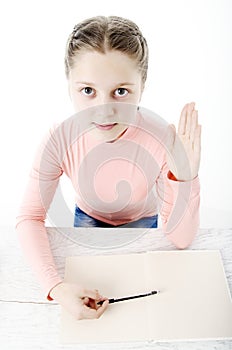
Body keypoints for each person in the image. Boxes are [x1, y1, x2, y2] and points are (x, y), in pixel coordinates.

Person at [15, 16, 201, 320]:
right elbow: (29, 216)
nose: (104, 109)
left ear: (142, 85)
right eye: (88, 90)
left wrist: (185, 176)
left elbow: (181, 239)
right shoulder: (59, 139)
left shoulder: (160, 138)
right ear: (69, 85)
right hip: (88, 219)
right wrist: (56, 286)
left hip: (143, 222)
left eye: (121, 91)